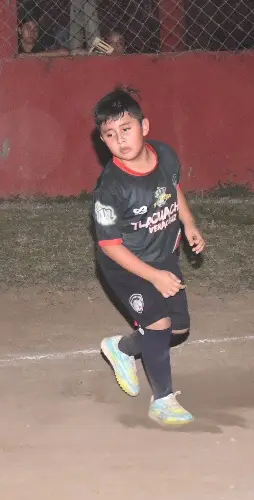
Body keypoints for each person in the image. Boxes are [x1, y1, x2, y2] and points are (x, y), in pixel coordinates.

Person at [92, 87, 206, 426]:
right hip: (125, 265)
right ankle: (162, 400)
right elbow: (111, 246)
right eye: (110, 135)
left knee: (179, 328)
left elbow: (173, 189)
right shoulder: (110, 189)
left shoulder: (166, 156)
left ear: (144, 127)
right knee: (158, 324)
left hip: (164, 257)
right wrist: (153, 276)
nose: (120, 140)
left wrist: (189, 224)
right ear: (103, 140)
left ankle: (123, 349)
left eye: (126, 129)